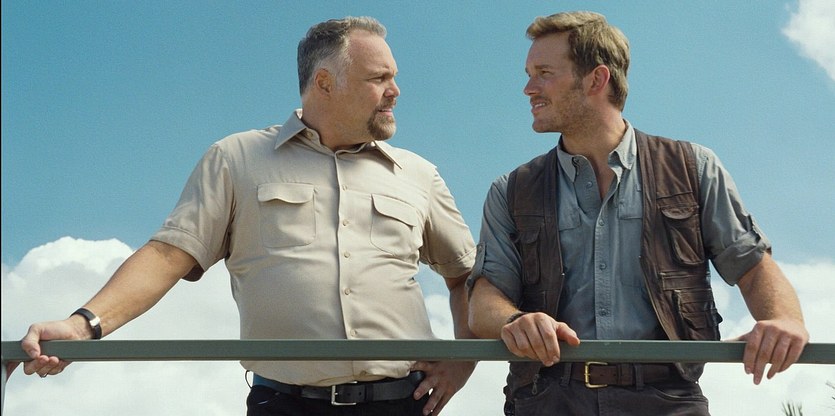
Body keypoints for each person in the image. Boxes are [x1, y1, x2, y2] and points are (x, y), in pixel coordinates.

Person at [11, 16, 477, 416]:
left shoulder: (419, 175)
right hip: (284, 404)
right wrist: (81, 326)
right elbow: (167, 257)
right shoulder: (236, 159)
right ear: (324, 83)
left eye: (393, 77)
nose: (395, 91)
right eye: (379, 78)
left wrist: (464, 360)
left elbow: (467, 279)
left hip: (401, 403)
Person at [467, 11, 809, 416]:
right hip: (548, 399)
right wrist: (513, 321)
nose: (528, 88)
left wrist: (786, 321)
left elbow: (752, 265)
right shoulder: (511, 190)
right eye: (529, 74)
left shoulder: (693, 168)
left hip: (668, 400)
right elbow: (483, 300)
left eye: (544, 73)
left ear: (596, 79)